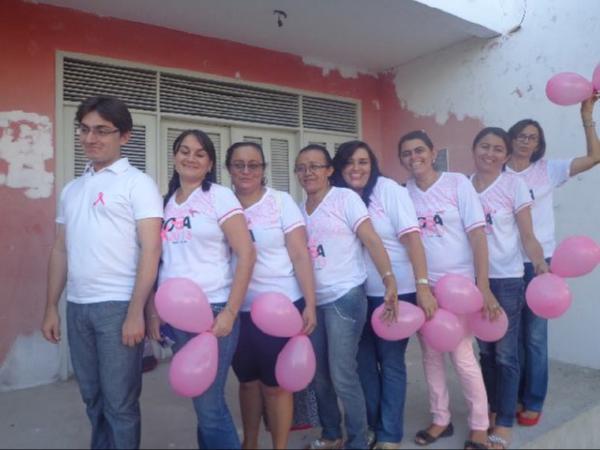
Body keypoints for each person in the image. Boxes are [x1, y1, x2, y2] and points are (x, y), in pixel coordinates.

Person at [41, 95, 163, 449]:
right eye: (84, 129)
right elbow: (60, 248)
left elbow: (152, 249)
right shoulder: (72, 189)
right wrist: (51, 307)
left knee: (120, 404)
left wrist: (136, 312)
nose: (90, 138)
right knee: (92, 399)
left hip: (118, 307)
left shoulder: (138, 184)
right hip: (78, 307)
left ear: (124, 136)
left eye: (101, 130)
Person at [146, 130, 256, 449]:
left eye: (200, 153)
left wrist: (230, 312)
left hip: (213, 312)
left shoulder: (219, 197)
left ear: (210, 164)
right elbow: (160, 262)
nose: (191, 158)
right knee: (200, 398)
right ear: (174, 157)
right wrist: (154, 312)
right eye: (184, 151)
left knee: (209, 405)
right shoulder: (165, 203)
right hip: (177, 316)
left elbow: (247, 253)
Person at [330, 140, 436, 450]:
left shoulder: (388, 191)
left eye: (363, 162)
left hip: (395, 292)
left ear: (372, 165)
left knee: (390, 362)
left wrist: (423, 286)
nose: (356, 168)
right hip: (356, 294)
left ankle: (390, 434)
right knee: (362, 363)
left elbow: (413, 239)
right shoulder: (338, 197)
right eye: (349, 162)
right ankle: (373, 425)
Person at [398, 130, 497, 450]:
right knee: (430, 356)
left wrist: (483, 286)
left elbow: (478, 235)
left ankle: (479, 424)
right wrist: (420, 287)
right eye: (407, 153)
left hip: (459, 289)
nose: (414, 158)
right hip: (424, 288)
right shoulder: (403, 193)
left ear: (433, 152)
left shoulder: (457, 184)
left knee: (462, 355)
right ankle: (440, 418)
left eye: (419, 150)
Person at [295, 144, 398, 450]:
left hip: (344, 297)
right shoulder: (299, 210)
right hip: (314, 301)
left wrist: (389, 279)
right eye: (302, 167)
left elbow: (371, 239)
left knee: (342, 374)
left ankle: (358, 439)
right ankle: (331, 434)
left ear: (329, 170)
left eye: (315, 166)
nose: (308, 172)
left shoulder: (345, 198)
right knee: (319, 375)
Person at [506, 95, 600, 426]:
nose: (525, 141)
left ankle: (533, 400)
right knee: (510, 338)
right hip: (504, 266)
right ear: (510, 139)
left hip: (539, 264)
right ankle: (513, 397)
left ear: (538, 144)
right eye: (521, 135)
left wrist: (587, 116)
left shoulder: (548, 170)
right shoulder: (498, 173)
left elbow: (595, 157)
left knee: (534, 337)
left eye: (532, 137)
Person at [224, 141, 317, 449]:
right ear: (229, 169)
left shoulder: (280, 201)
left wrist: (310, 304)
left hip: (281, 308)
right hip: (238, 309)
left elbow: (300, 254)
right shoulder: (222, 203)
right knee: (247, 383)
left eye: (254, 165)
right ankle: (249, 444)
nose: (246, 171)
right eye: (239, 164)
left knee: (276, 386)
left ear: (263, 169)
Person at [470, 127, 549, 449]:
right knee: (485, 352)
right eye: (484, 146)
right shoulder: (463, 186)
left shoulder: (514, 185)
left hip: (506, 280)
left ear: (506, 155)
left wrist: (540, 263)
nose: (490, 153)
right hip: (472, 281)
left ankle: (503, 421)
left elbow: (527, 235)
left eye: (498, 149)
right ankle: (491, 409)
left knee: (505, 353)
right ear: (474, 149)